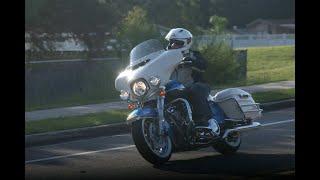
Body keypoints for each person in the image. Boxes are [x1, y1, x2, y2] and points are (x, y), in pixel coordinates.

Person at [166, 28, 220, 136]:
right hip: (174, 88)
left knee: (195, 89)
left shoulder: (193, 54)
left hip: (194, 85)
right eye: (171, 42)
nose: (173, 45)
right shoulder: (164, 57)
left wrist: (192, 61)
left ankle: (203, 122)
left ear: (187, 43)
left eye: (177, 43)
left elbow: (203, 65)